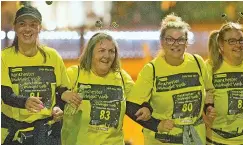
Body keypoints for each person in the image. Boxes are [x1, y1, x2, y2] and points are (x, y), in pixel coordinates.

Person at [127, 13, 215, 145]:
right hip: (162, 140)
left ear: (186, 42)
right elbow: (131, 106)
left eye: (180, 39)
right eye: (170, 39)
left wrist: (209, 106)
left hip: (195, 139)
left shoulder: (197, 62)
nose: (176, 44)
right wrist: (157, 124)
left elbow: (209, 90)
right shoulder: (152, 69)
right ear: (162, 42)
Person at [61, 32, 156, 145]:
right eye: (101, 51)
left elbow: (138, 99)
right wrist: (62, 94)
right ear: (90, 53)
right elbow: (54, 93)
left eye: (111, 51)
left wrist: (146, 107)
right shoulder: (74, 74)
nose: (107, 55)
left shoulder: (121, 77)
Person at [1, 6, 70, 145]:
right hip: (14, 135)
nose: (27, 29)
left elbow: (62, 91)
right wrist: (24, 101)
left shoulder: (53, 57)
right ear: (15, 27)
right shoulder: (4, 57)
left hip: (47, 134)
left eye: (33, 25)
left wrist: (59, 108)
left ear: (40, 28)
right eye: (22, 24)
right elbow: (5, 94)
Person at [206, 22, 243, 144]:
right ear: (221, 45)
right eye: (232, 41)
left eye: (241, 40)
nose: (238, 45)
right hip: (216, 141)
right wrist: (206, 109)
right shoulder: (209, 68)